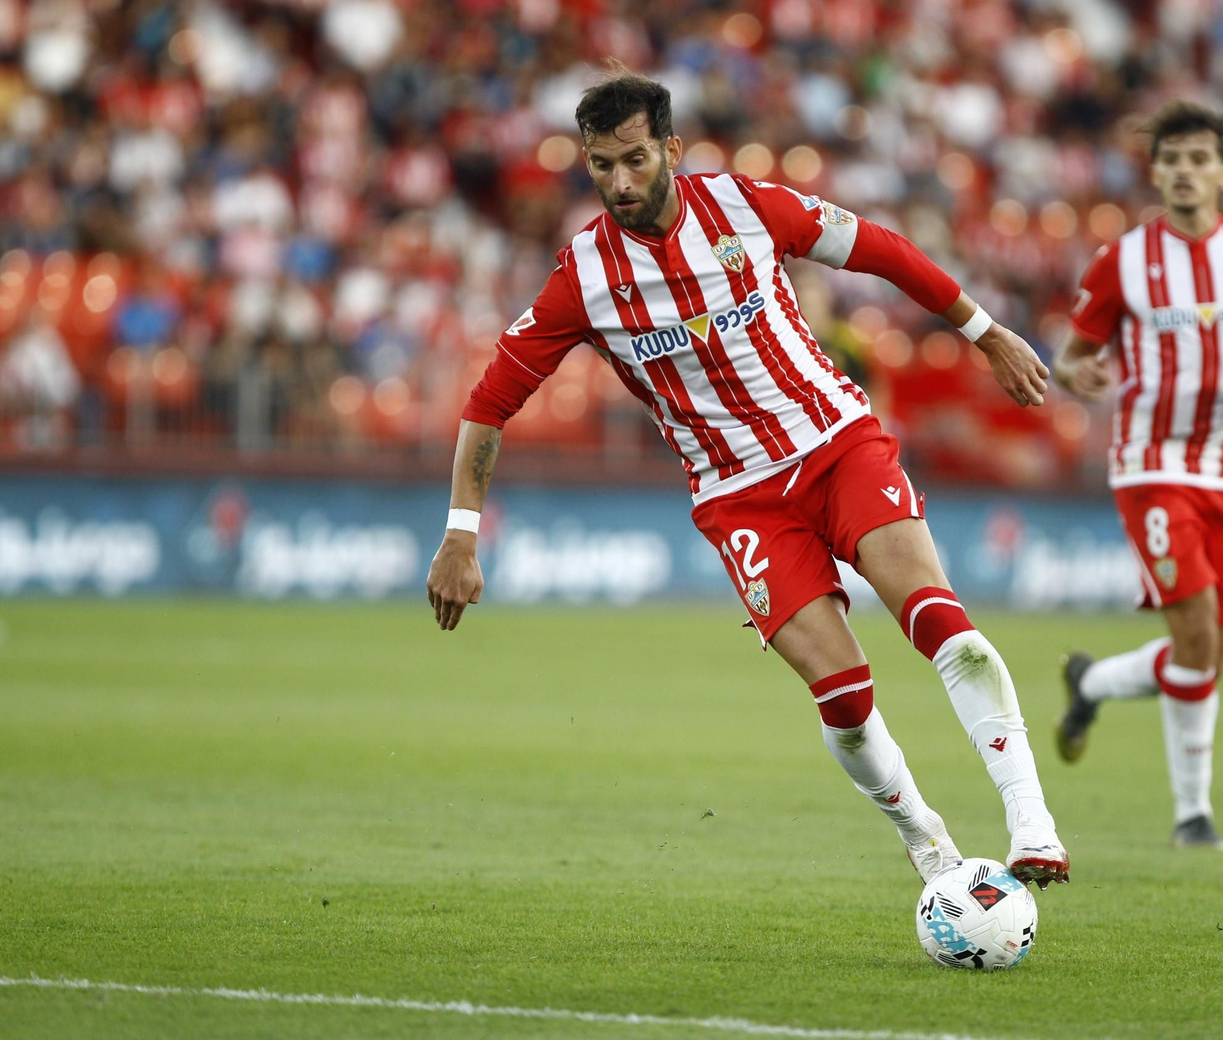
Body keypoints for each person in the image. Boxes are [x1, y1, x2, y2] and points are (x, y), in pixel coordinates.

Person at [423, 70, 1069, 888]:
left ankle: (1031, 823)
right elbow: (489, 403)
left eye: (633, 159)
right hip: (739, 501)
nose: (620, 183)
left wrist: (985, 331)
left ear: (670, 149)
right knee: (842, 695)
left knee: (943, 623)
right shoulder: (584, 279)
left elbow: (880, 250)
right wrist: (460, 533)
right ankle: (931, 845)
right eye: (600, 166)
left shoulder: (746, 207)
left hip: (836, 445)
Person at [1049, 100, 1223, 851]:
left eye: (1200, 159)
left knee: (1208, 656)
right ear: (1156, 174)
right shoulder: (1123, 260)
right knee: (1195, 637)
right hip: (1150, 466)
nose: (1186, 172)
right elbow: (1073, 353)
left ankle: (1092, 684)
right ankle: (1192, 816)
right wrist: (1081, 374)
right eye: (1172, 160)